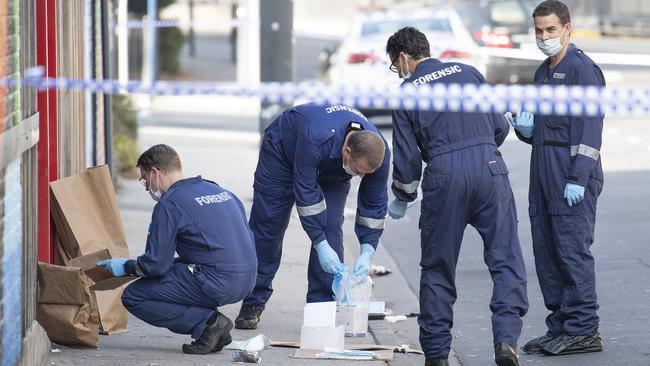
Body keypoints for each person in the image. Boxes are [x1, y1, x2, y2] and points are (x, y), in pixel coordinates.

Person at [385, 27, 528, 366]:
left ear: (404, 57)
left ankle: (436, 355)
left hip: (444, 174)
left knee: (438, 267)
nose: (398, 71)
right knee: (506, 260)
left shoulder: (407, 92)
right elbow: (500, 126)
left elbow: (406, 158)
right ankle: (506, 340)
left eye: (395, 65)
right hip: (489, 166)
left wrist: (403, 195)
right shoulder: (469, 72)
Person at [234, 102, 390, 330]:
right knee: (268, 228)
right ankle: (253, 303)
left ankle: (321, 310)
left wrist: (368, 249)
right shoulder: (316, 136)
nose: (359, 176)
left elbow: (375, 203)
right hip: (282, 155)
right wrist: (318, 242)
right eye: (358, 171)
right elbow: (305, 192)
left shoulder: (379, 154)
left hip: (332, 170)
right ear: (347, 152)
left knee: (331, 230)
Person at [506, 0, 605, 356]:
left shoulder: (583, 71)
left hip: (570, 173)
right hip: (543, 170)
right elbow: (544, 127)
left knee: (571, 250)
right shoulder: (542, 73)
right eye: (539, 31)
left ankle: (583, 329)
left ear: (567, 29)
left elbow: (589, 130)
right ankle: (561, 325)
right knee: (547, 250)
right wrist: (524, 130)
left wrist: (578, 176)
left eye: (550, 30)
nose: (544, 37)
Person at [96, 144, 257, 355]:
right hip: (248, 280)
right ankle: (215, 331)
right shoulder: (219, 190)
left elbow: (155, 265)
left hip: (219, 282)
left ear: (155, 172)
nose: (146, 187)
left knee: (135, 295)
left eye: (145, 180)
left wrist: (127, 266)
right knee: (177, 266)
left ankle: (208, 323)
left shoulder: (169, 204)